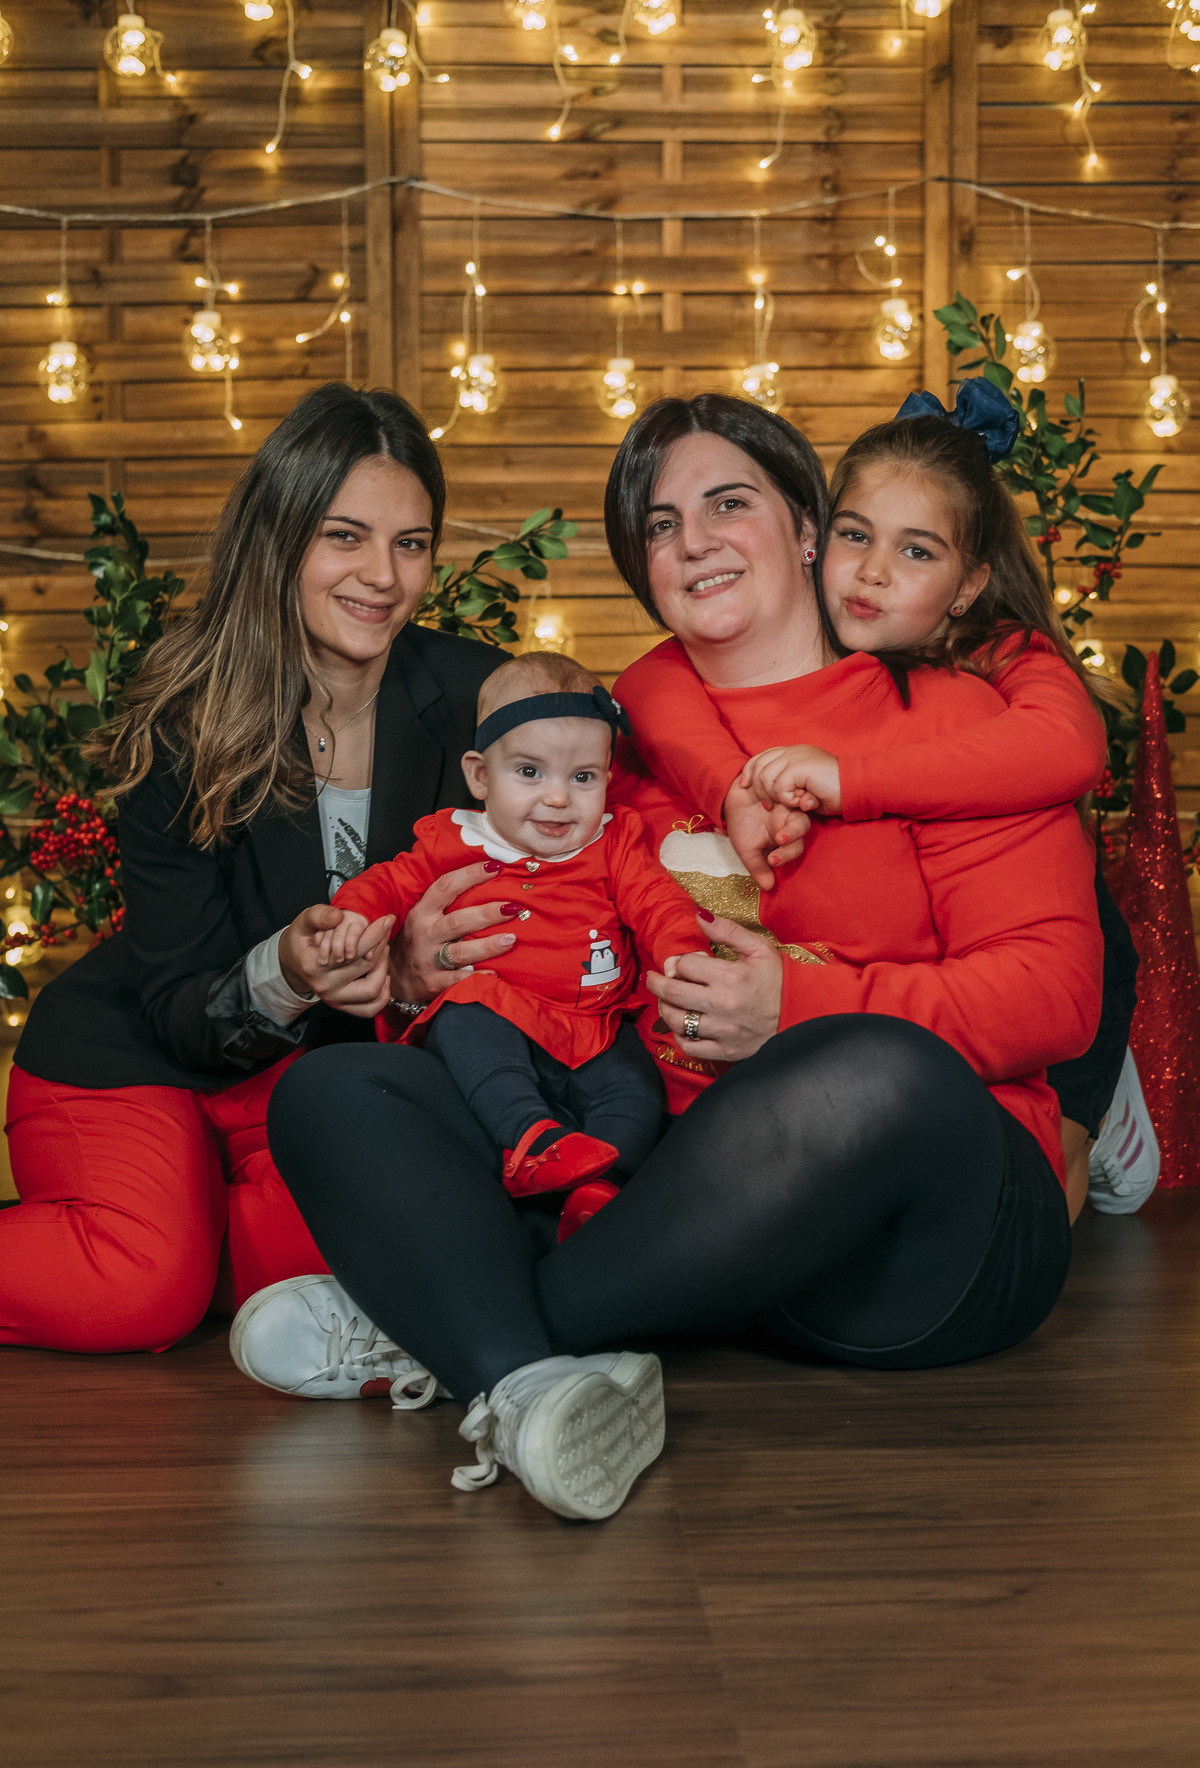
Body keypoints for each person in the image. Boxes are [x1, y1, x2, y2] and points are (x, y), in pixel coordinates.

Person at [246, 390, 1103, 1524]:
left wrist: (795, 1003)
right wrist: (416, 963)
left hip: (923, 1244)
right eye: (659, 524)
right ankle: (534, 1368)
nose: (692, 540)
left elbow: (1058, 997)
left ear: (811, 526)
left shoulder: (966, 731)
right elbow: (551, 943)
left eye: (728, 504)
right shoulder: (606, 744)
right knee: (339, 1087)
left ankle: (462, 1331)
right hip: (683, 1209)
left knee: (866, 1071)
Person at [0, 381, 523, 1375]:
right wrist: (285, 968)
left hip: (306, 1084)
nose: (382, 575)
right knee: (142, 1288)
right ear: (279, 535)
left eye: (410, 543)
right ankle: (166, 1236)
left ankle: (201, 1229)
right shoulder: (182, 722)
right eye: (345, 536)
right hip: (135, 1060)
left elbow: (581, 823)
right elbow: (178, 1005)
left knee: (394, 1233)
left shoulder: (474, 699)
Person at [614, 379, 1153, 1219]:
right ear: (825, 537)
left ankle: (1093, 1111)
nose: (871, 574)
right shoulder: (657, 699)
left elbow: (1069, 749)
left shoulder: (996, 660)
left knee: (1090, 940)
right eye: (857, 537)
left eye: (917, 553)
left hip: (1022, 959)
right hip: (764, 1138)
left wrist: (850, 783)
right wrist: (730, 790)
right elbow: (648, 684)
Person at [316, 651, 707, 1238]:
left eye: (582, 777)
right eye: (529, 772)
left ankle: (603, 1187)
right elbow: (390, 882)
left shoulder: (611, 841)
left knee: (635, 1086)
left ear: (606, 776)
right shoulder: (456, 840)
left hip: (593, 1024)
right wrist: (351, 916)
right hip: (499, 1009)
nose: (557, 799)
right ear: (480, 775)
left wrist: (680, 952)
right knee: (469, 1023)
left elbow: (656, 900)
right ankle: (530, 1139)